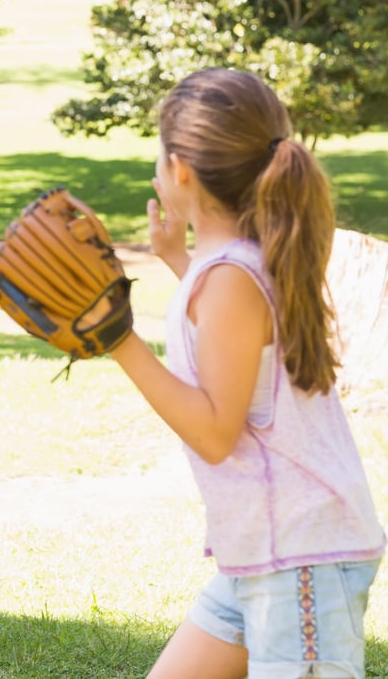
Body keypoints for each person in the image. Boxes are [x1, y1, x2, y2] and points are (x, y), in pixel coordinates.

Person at [104, 67, 385, 678]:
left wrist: (119, 341)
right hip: (266, 549)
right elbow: (233, 349)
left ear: (180, 169)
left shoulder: (234, 274)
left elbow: (214, 430)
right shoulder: (231, 267)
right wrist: (176, 257)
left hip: (301, 555)